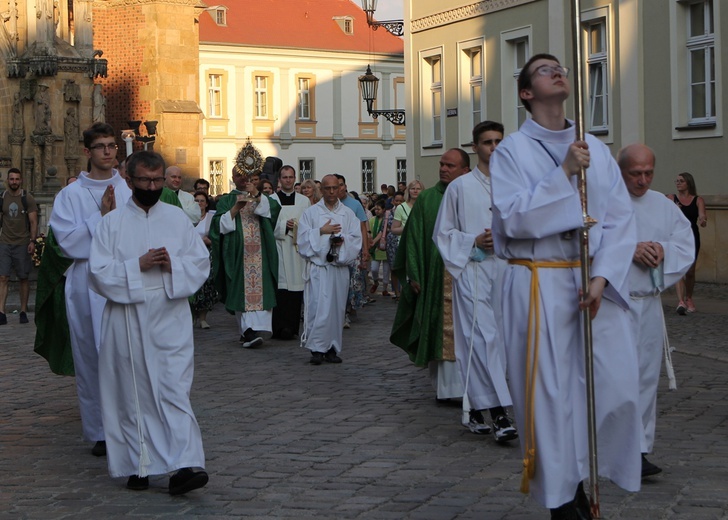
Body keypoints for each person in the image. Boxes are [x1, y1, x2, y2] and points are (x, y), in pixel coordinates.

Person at [489, 53, 641, 518]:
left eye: (562, 67)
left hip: (586, 286)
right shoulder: (512, 151)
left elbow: (618, 220)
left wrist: (600, 277)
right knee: (550, 399)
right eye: (543, 69)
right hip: (537, 287)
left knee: (614, 387)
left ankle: (596, 475)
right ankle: (565, 501)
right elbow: (513, 219)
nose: (558, 71)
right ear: (526, 93)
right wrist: (565, 176)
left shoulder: (591, 145)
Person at [88, 150, 209, 495]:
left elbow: (200, 262)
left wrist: (175, 267)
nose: (153, 186)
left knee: (173, 389)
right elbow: (97, 274)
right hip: (127, 315)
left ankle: (184, 466)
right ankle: (137, 464)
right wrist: (135, 265)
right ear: (129, 180)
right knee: (132, 393)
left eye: (158, 181)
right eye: (145, 181)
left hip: (169, 313)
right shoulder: (110, 224)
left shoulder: (175, 219)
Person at [49, 122, 132, 456]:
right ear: (88, 152)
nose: (109, 152)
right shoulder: (69, 195)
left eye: (113, 146)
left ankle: (126, 424)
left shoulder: (127, 189)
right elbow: (67, 242)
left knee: (122, 354)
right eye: (101, 146)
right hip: (85, 282)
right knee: (89, 357)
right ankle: (99, 429)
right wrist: (100, 217)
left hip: (120, 277)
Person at [433, 121, 517, 442]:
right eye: (487, 143)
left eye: (498, 142)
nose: (493, 148)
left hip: (506, 272)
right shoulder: (460, 187)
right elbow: (443, 233)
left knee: (500, 341)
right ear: (475, 147)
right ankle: (499, 414)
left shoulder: (513, 185)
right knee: (483, 339)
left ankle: (474, 408)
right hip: (472, 272)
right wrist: (473, 242)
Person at [617, 143, 694, 478]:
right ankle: (612, 446)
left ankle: (639, 449)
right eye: (636, 173)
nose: (643, 180)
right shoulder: (606, 203)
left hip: (646, 305)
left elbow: (684, 243)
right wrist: (628, 250)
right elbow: (587, 244)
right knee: (617, 380)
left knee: (646, 378)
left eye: (649, 173)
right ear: (621, 171)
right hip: (613, 306)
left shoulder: (663, 206)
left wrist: (662, 250)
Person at [390, 149, 470, 401]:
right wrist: (413, 274)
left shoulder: (473, 195)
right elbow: (412, 239)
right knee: (438, 329)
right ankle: (446, 389)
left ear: (465, 170)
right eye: (441, 164)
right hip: (435, 277)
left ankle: (469, 385)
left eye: (450, 165)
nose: (443, 169)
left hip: (469, 276)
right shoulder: (427, 199)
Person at [210, 165, 278, 348]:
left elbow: (274, 211)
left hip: (260, 253)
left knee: (260, 288)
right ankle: (248, 331)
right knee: (240, 289)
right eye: (238, 175)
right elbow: (217, 226)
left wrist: (256, 195)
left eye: (246, 175)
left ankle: (251, 331)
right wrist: (235, 209)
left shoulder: (261, 197)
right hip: (237, 254)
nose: (242, 178)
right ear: (233, 177)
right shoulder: (227, 200)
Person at [297, 174, 362, 365]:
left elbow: (355, 238)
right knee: (317, 307)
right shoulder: (311, 213)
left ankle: (332, 347)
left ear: (340, 189)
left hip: (338, 268)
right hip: (319, 268)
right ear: (322, 190)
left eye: (335, 188)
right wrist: (320, 232)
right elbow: (302, 240)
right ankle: (317, 348)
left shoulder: (348, 214)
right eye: (328, 189)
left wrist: (342, 242)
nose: (332, 192)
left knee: (336, 308)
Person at [269, 165, 310, 340]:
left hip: (296, 250)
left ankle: (292, 327)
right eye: (284, 177)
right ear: (279, 179)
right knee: (280, 290)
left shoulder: (303, 201)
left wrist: (297, 226)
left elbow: (308, 225)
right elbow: (267, 225)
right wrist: (283, 226)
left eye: (290, 177)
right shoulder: (271, 200)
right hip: (278, 249)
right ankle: (277, 327)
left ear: (295, 179)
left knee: (295, 291)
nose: (288, 180)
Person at [0, 168, 38, 326]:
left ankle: (23, 310)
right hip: (5, 242)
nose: (14, 182)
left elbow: (33, 221)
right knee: (3, 277)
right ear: (7, 180)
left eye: (16, 179)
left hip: (22, 242)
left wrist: (32, 241)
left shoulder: (26, 198)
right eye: (11, 179)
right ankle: (1, 312)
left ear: (21, 180)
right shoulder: (2, 197)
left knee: (23, 277)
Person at [667, 171, 707, 314]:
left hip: (692, 237)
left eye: (681, 181)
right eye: (676, 181)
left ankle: (689, 297)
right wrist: (674, 211)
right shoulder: (672, 198)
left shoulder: (698, 200)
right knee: (679, 269)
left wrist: (703, 220)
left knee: (689, 271)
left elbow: (702, 217)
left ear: (688, 183)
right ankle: (681, 302)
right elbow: (666, 216)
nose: (678, 183)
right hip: (676, 236)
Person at [335, 174, 369, 327]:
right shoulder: (329, 204)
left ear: (345, 186)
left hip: (352, 250)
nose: (339, 188)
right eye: (336, 185)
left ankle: (348, 309)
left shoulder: (354, 204)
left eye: (341, 185)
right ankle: (340, 312)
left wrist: (365, 250)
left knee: (353, 281)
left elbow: (363, 227)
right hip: (335, 250)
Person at [191, 191, 218, 329]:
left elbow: (216, 236)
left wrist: (209, 241)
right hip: (191, 255)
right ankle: (191, 316)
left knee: (206, 286)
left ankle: (203, 318)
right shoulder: (188, 217)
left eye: (202, 201)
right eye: (196, 201)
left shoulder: (210, 218)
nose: (199, 204)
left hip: (205, 254)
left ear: (206, 203)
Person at [384, 191, 405, 299]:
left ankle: (405, 290)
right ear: (393, 201)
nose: (398, 203)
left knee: (404, 267)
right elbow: (384, 229)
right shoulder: (388, 213)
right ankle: (397, 291)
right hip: (392, 243)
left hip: (403, 241)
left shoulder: (406, 211)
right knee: (394, 268)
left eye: (401, 201)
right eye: (397, 200)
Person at [368, 200, 390, 296]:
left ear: (384, 210)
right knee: (374, 269)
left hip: (385, 249)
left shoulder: (387, 219)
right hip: (375, 249)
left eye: (379, 209)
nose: (376, 211)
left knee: (386, 271)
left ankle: (385, 288)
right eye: (375, 209)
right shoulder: (372, 220)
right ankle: (376, 281)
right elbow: (369, 232)